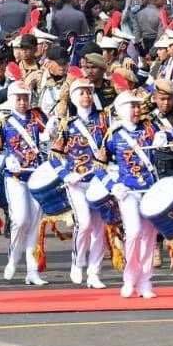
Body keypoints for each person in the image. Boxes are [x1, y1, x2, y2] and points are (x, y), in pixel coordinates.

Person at [0, 73, 54, 286]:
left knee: (35, 224)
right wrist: (5, 159)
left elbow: (50, 138)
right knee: (20, 219)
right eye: (18, 98)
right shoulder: (3, 123)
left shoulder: (37, 117)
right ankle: (13, 257)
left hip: (36, 176)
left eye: (25, 97)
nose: (22, 102)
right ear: (10, 98)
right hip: (15, 177)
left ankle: (32, 270)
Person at [103, 86, 162, 298]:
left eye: (138, 106)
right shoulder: (113, 135)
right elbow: (100, 166)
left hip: (149, 190)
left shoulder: (149, 127)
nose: (137, 110)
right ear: (120, 109)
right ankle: (129, 278)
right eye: (132, 106)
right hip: (127, 191)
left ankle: (146, 281)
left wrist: (164, 136)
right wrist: (113, 185)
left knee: (149, 236)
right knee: (134, 233)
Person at [53, 75, 109, 289]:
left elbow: (111, 146)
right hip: (76, 183)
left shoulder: (104, 119)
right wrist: (66, 174)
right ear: (74, 97)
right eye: (82, 92)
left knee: (99, 229)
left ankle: (94, 273)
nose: (86, 96)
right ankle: (77, 262)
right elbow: (54, 156)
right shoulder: (67, 124)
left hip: (99, 181)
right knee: (83, 224)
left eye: (89, 92)